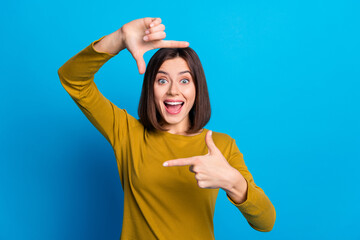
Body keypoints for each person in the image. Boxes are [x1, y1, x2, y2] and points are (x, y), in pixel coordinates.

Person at [58, 17, 276, 239]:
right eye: (162, 81)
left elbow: (266, 222)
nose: (173, 91)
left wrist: (234, 182)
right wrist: (119, 39)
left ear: (197, 88)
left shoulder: (220, 145)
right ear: (150, 88)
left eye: (184, 81)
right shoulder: (128, 133)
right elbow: (72, 79)